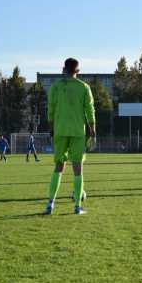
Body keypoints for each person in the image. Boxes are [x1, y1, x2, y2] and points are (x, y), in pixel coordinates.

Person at [43, 58, 95, 215]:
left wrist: (52, 128)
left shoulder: (56, 87)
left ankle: (50, 204)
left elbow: (50, 109)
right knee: (77, 168)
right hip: (78, 132)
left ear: (64, 69)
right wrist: (92, 129)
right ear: (77, 71)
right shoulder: (84, 87)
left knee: (58, 166)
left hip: (60, 130)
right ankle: (77, 207)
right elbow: (90, 110)